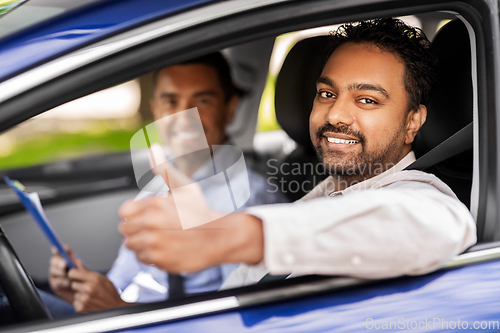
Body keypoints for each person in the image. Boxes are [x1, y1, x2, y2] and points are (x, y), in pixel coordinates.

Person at [117, 18, 477, 288]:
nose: (335, 114)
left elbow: (426, 224)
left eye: (367, 100)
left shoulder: (423, 199)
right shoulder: (317, 199)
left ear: (413, 122)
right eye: (326, 93)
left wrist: (226, 234)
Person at [48, 53, 286, 314]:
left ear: (229, 109)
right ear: (155, 109)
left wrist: (119, 308)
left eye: (202, 101)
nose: (185, 117)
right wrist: (82, 292)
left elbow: (237, 317)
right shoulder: (158, 179)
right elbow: (121, 281)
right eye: (171, 101)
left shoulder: (250, 198)